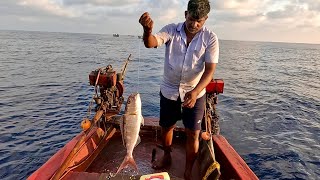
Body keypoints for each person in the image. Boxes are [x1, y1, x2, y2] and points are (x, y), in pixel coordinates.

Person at [139, 0, 219, 179]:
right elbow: (151, 43)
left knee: (193, 133)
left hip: (195, 92)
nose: (194, 24)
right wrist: (147, 31)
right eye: (191, 19)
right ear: (185, 14)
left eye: (199, 21)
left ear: (205, 19)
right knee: (166, 127)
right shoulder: (171, 30)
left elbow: (210, 71)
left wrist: (196, 92)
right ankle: (166, 156)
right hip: (169, 90)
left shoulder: (210, 38)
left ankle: (188, 169)